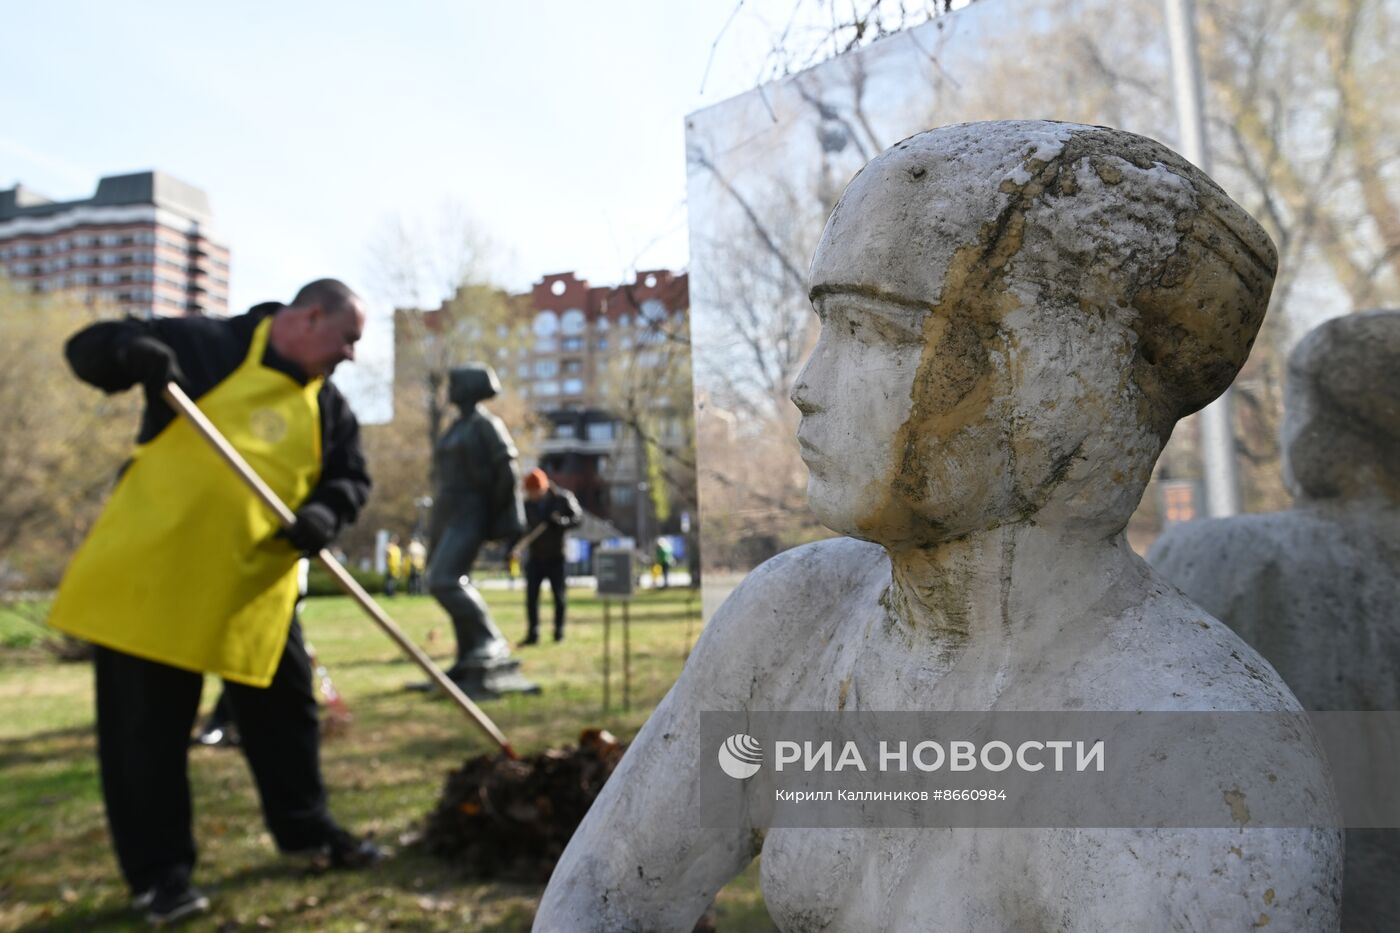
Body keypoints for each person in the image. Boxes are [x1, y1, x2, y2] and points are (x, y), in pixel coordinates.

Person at [536, 122, 1340, 930]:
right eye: (826, 323)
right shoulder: (793, 618)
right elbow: (605, 897)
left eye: (872, 329)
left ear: (1059, 382)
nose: (805, 383)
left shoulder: (1201, 759)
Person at [51, 278, 381, 925]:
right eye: (348, 338)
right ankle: (160, 876)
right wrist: (130, 351)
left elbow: (351, 479)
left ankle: (307, 832)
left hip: (255, 588)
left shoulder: (331, 409)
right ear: (310, 316)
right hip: (154, 581)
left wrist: (322, 512)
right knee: (146, 736)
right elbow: (87, 347)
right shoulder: (204, 344)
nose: (350, 354)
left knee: (288, 717)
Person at [515, 468, 582, 645]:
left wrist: (561, 522)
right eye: (530, 493)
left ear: (544, 488)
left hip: (556, 557)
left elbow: (578, 519)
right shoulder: (526, 505)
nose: (533, 495)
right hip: (536, 558)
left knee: (559, 597)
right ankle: (533, 634)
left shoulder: (562, 498)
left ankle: (558, 633)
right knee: (531, 599)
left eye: (535, 492)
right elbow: (520, 530)